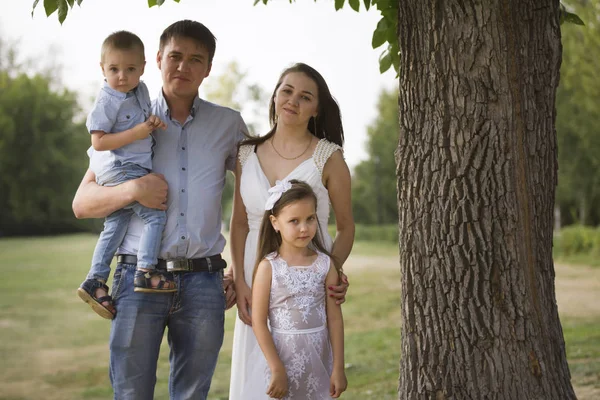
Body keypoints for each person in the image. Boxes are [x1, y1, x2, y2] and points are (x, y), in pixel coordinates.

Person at [72, 20, 242, 399]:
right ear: (159, 58)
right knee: (130, 394)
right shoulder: (126, 119)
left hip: (205, 281)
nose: (183, 66)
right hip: (136, 280)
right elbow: (82, 204)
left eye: (195, 59)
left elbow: (257, 198)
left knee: (193, 394)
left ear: (208, 68)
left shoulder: (228, 124)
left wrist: (241, 272)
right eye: (176, 56)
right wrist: (134, 189)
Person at [229, 62, 354, 399]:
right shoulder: (246, 153)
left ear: (316, 109)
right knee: (258, 375)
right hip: (257, 275)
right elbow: (240, 222)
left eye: (305, 96)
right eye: (286, 90)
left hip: (308, 283)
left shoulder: (328, 157)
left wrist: (331, 271)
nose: (292, 101)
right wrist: (239, 277)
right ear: (274, 95)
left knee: (305, 376)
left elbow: (346, 227)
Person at [76, 30, 174, 321]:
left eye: (130, 69)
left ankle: (94, 280)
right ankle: (146, 271)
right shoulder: (107, 100)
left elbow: (143, 121)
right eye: (114, 69)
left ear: (143, 68)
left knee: (116, 224)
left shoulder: (140, 90)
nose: (122, 76)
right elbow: (99, 142)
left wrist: (151, 122)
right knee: (154, 216)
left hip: (130, 166)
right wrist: (138, 132)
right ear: (102, 69)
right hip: (121, 167)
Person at [245, 179, 347, 399]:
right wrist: (276, 368)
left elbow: (335, 319)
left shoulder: (325, 265)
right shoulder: (268, 267)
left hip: (319, 361)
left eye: (310, 219)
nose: (304, 228)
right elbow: (259, 322)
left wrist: (338, 368)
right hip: (282, 360)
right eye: (294, 221)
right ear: (275, 222)